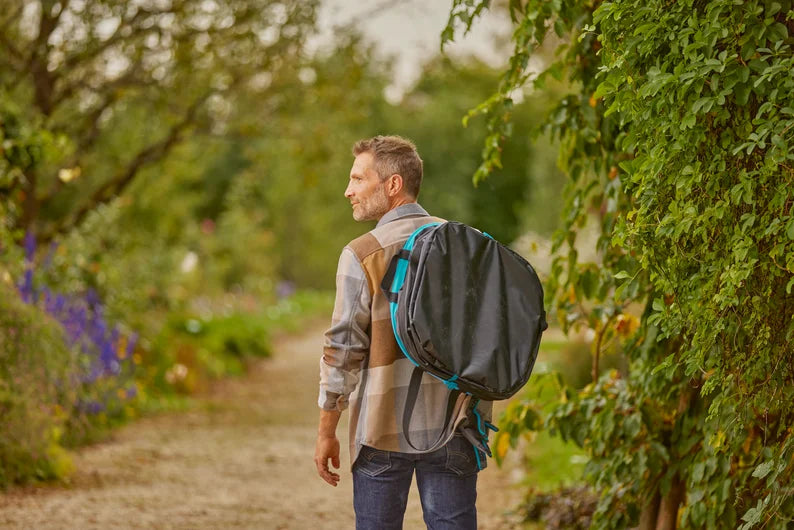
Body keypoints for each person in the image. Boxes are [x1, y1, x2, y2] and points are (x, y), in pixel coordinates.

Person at [314, 135, 492, 530]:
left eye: (358, 179)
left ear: (393, 184)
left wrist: (327, 430)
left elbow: (343, 349)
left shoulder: (363, 253)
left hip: (382, 427)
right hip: (455, 422)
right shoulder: (467, 246)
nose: (348, 191)